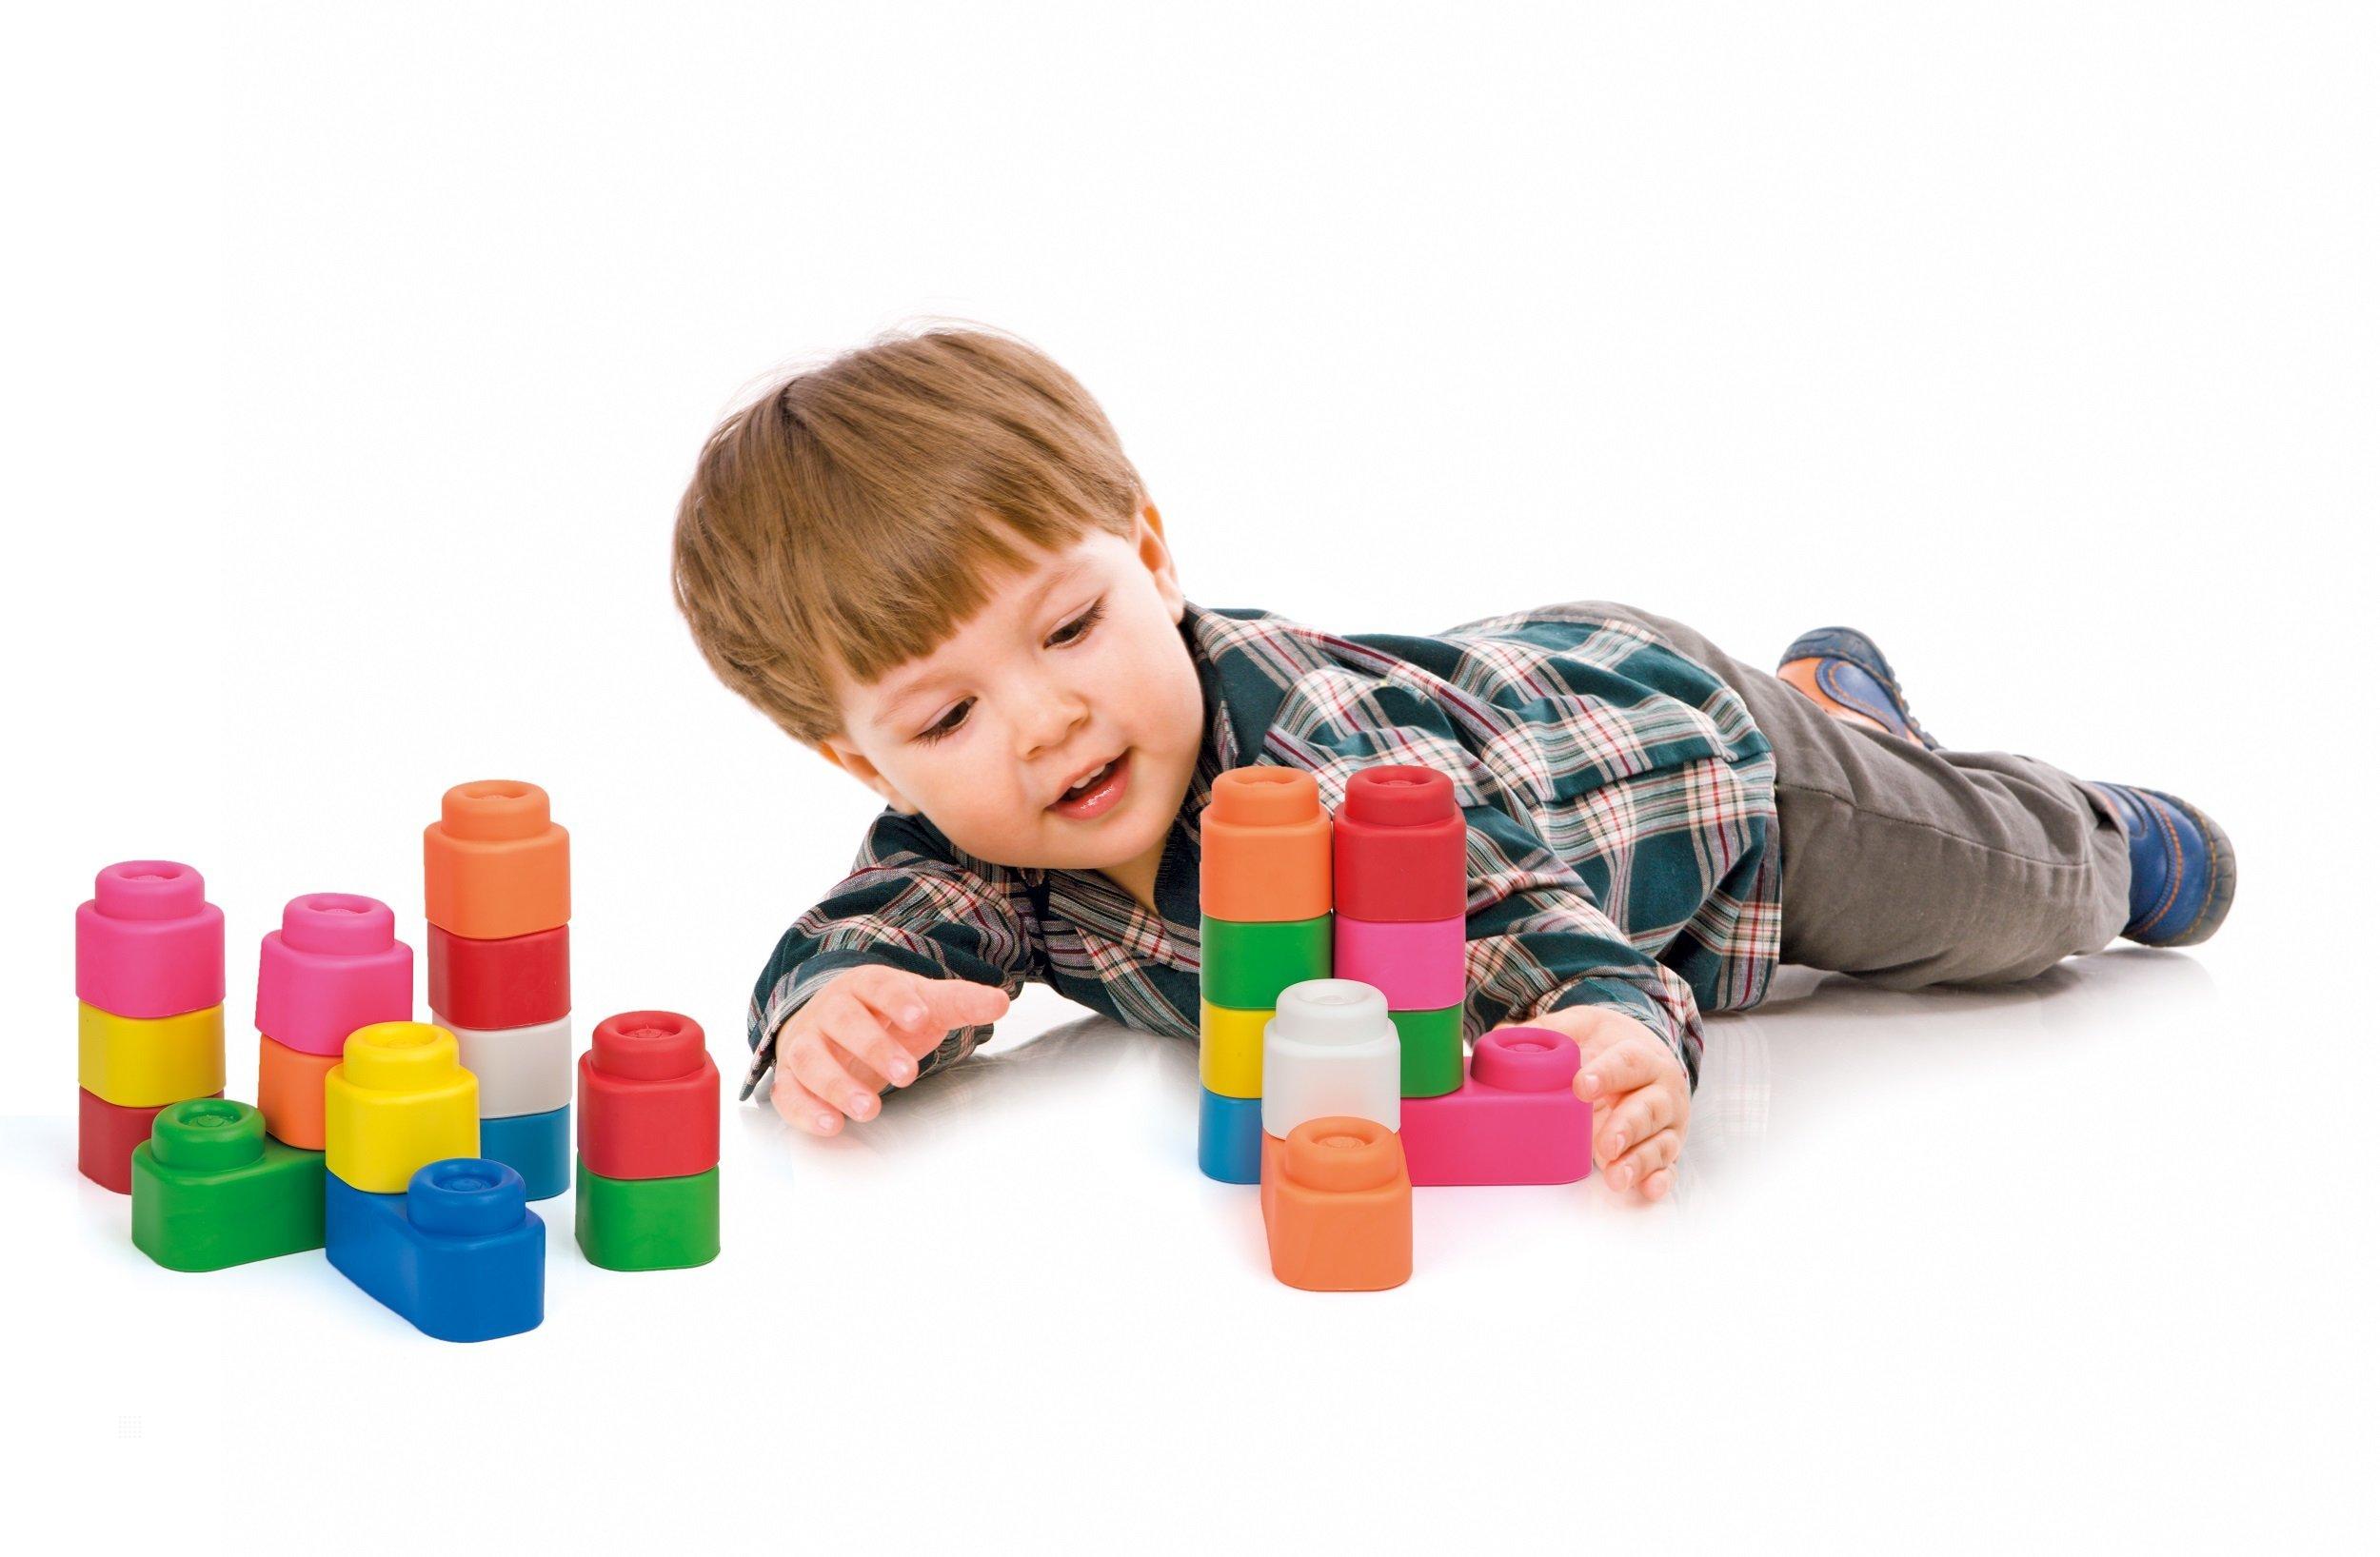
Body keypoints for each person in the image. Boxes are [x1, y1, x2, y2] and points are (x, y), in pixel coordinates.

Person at [669, 325, 2233, 1203]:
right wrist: (835, 1011)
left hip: (1716, 782)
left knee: (2003, 907)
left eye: (1071, 627)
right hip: (1515, 708)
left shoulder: (1333, 770)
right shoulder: (983, 829)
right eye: (945, 719)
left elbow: (1523, 920)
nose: (1041, 725)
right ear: (856, 755)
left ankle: (2090, 826)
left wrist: (1612, 1026)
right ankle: (1852, 700)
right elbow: (886, 925)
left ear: (1149, 559)